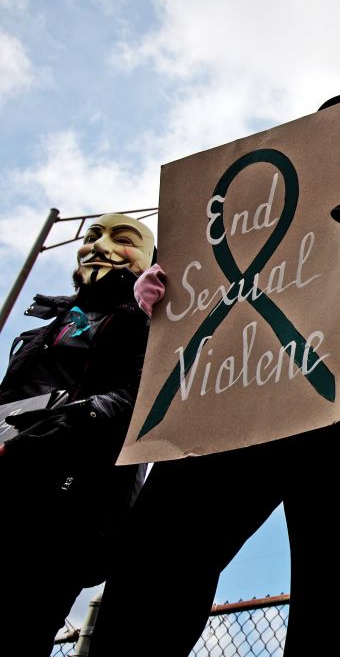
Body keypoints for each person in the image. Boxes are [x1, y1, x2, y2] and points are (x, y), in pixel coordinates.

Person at [90, 94, 340, 656]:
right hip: (241, 387)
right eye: (329, 121)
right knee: (156, 554)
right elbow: (209, 292)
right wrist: (164, 297)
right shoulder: (248, 212)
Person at [0, 213, 154, 656]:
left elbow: (137, 400)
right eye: (93, 236)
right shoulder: (47, 325)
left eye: (122, 239)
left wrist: (54, 429)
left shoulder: (148, 323)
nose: (100, 246)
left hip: (68, 504)